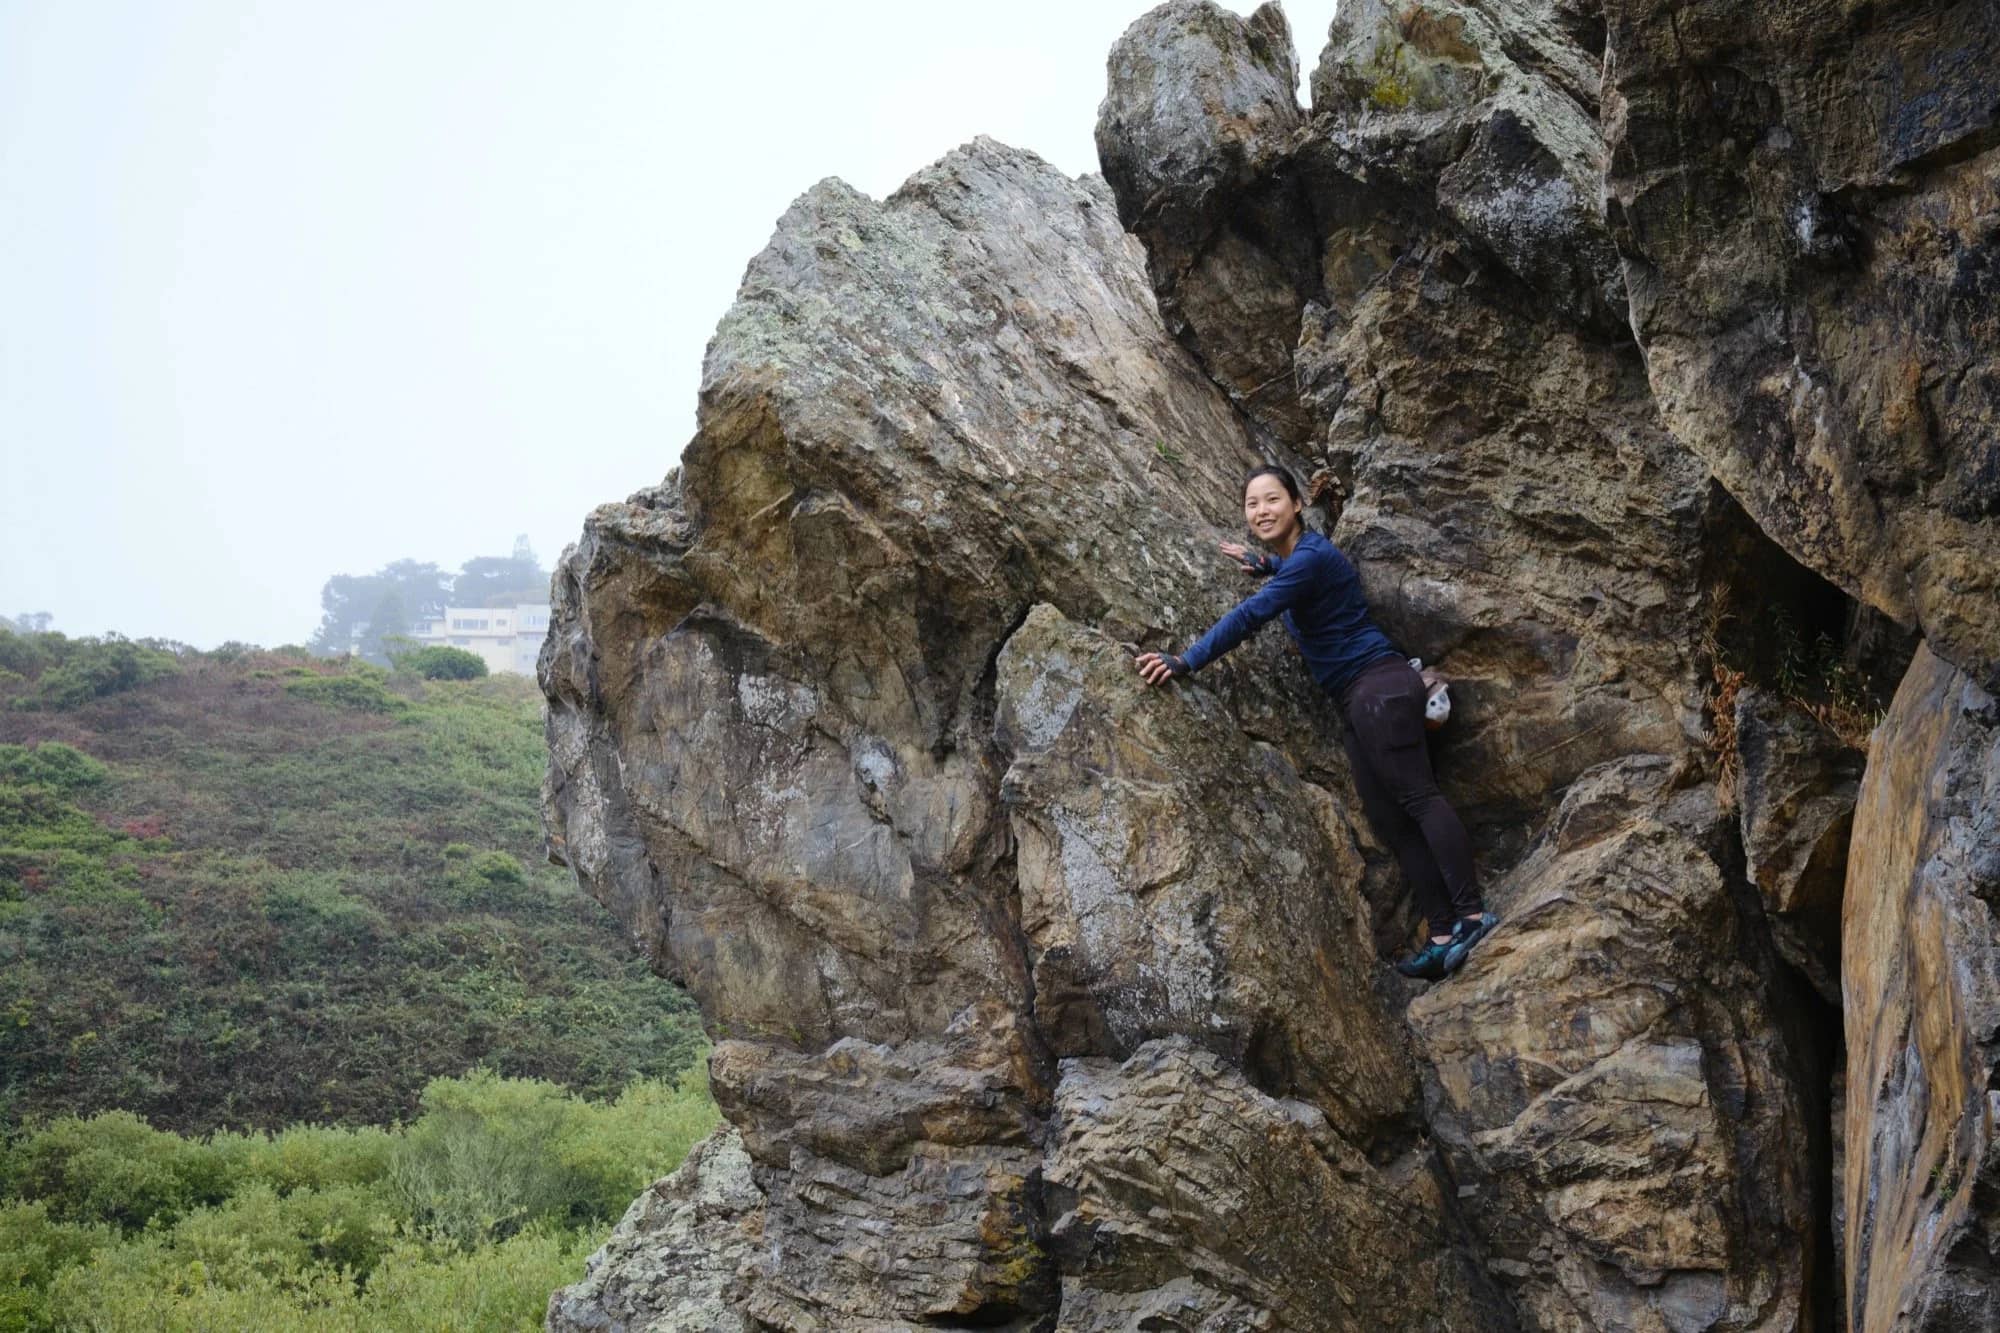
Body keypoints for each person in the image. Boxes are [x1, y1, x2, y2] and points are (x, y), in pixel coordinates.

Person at [1134, 464, 1495, 981]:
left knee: (1419, 798)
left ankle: (1472, 916)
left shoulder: (1310, 557)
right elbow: (1294, 580)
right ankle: (1441, 934)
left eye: (1272, 500)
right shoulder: (1295, 562)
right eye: (1252, 504)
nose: (1261, 510)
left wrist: (1184, 661)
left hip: (1379, 685)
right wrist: (1262, 563)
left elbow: (1251, 616)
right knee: (1392, 820)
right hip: (1355, 699)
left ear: (1298, 504)